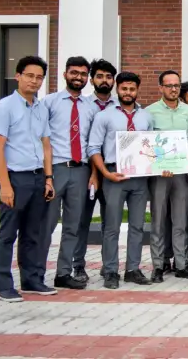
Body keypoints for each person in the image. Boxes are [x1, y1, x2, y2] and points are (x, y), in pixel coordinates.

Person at [0, 55, 54, 302]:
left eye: (39, 77)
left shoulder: (40, 108)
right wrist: (5, 185)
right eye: (30, 76)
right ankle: (4, 285)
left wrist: (49, 179)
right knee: (8, 234)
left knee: (32, 233)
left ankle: (31, 280)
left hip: (38, 178)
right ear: (18, 76)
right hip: (15, 179)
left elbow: (46, 145)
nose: (34, 81)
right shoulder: (4, 107)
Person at [88, 71, 155, 289]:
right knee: (112, 227)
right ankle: (110, 271)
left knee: (137, 226)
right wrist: (105, 174)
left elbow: (151, 147)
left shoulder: (145, 117)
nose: (128, 92)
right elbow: (93, 148)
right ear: (118, 89)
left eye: (132, 89)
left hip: (139, 177)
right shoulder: (105, 116)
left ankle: (133, 269)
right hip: (113, 175)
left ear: (137, 90)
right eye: (124, 88)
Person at [38, 55, 95, 291]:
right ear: (65, 74)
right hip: (56, 170)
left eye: (83, 74)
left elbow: (93, 143)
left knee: (73, 225)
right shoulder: (49, 103)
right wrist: (47, 175)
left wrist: (93, 174)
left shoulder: (91, 107)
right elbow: (42, 139)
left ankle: (63, 273)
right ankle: (36, 272)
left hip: (81, 171)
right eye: (74, 72)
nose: (78, 77)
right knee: (46, 224)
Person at [146, 70, 188, 282]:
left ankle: (181, 263)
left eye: (176, 85)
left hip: (182, 172)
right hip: (159, 174)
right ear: (160, 88)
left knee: (180, 220)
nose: (173, 89)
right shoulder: (150, 112)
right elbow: (147, 145)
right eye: (169, 85)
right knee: (158, 219)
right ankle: (158, 265)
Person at [73, 58, 117, 283]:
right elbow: (89, 143)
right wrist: (93, 173)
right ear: (92, 80)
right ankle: (78, 265)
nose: (104, 80)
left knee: (110, 222)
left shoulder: (119, 107)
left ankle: (108, 266)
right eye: (100, 76)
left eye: (109, 77)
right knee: (83, 219)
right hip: (86, 171)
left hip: (111, 171)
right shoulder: (83, 105)